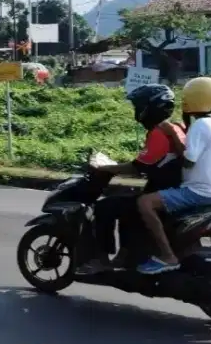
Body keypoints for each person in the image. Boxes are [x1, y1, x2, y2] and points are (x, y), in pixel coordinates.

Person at [77, 84, 186, 275]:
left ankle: (102, 259)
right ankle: (126, 254)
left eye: (139, 106)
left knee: (105, 207)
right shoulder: (175, 127)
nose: (137, 111)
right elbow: (148, 163)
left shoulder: (159, 133)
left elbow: (137, 167)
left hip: (161, 192)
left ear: (150, 108)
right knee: (126, 202)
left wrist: (104, 168)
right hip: (168, 188)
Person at [136, 76, 211, 275]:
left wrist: (170, 133)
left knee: (145, 203)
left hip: (199, 191)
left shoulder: (201, 125)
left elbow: (188, 160)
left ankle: (167, 256)